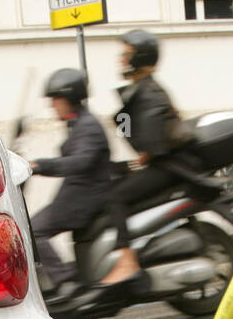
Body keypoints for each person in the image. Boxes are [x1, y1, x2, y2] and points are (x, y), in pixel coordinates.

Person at [96, 28, 202, 294]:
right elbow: (142, 138)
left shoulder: (149, 92)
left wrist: (139, 155)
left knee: (114, 197)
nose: (121, 59)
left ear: (140, 57)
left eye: (126, 54)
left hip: (169, 168)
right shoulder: (142, 89)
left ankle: (127, 260)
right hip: (163, 164)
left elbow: (151, 143)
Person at [27, 68, 112, 291]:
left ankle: (65, 282)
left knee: (33, 230)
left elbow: (79, 162)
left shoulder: (88, 126)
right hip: (77, 195)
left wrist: (39, 166)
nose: (52, 105)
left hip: (85, 198)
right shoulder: (78, 123)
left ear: (70, 98)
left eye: (55, 99)